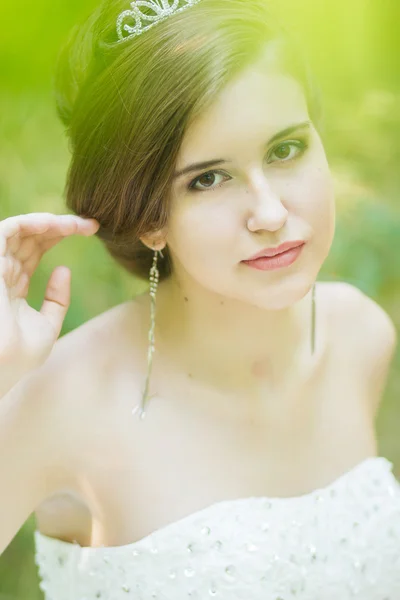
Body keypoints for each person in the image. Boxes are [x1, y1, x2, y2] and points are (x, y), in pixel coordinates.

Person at [1, 0, 399, 598]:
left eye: (286, 149)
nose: (269, 213)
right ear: (148, 220)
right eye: (208, 179)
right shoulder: (61, 398)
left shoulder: (360, 337)